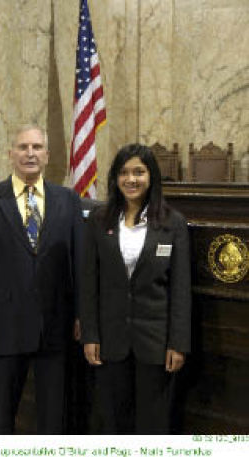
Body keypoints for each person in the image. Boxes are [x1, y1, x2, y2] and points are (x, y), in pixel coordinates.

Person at [0, 124, 83, 434]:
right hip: (5, 324)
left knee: (53, 418)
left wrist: (82, 315)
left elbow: (79, 264)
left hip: (54, 325)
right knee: (1, 415)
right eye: (23, 147)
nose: (30, 153)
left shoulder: (68, 201)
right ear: (11, 154)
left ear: (47, 155)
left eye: (36, 147)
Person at [80, 143, 191, 434]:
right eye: (124, 172)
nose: (131, 179)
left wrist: (178, 343)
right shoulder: (98, 220)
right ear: (116, 179)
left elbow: (180, 290)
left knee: (153, 424)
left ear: (151, 176)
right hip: (110, 339)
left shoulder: (173, 223)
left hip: (155, 342)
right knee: (114, 421)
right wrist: (90, 334)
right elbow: (88, 283)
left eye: (139, 172)